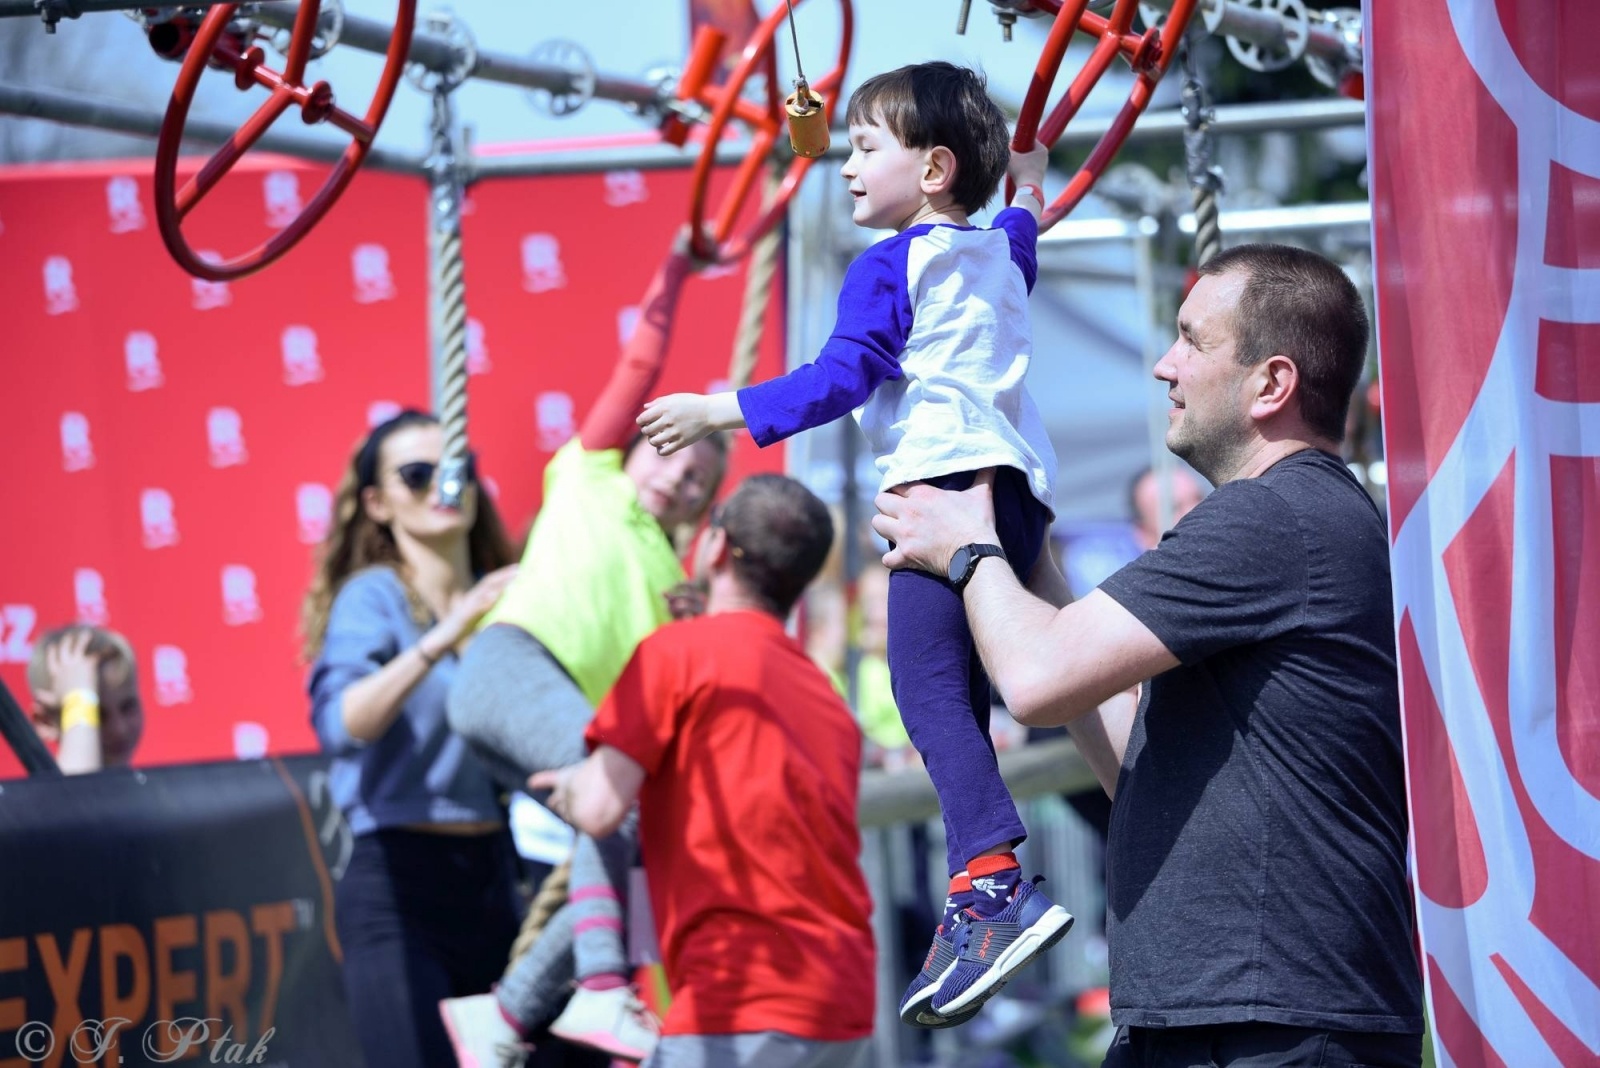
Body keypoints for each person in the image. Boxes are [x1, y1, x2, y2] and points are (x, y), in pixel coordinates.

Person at [872, 244, 1425, 1067]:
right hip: (1226, 1015)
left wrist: (969, 548)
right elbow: (1132, 751)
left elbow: (1033, 682)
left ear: (1271, 384)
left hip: (1273, 1025)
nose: (1165, 367)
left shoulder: (1273, 520)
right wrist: (1031, 558)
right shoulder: (1292, 519)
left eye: (1193, 341)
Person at [636, 61, 1072, 1029]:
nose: (843, 164)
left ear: (931, 169)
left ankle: (991, 882)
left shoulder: (888, 266)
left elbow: (839, 378)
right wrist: (1030, 187)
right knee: (963, 690)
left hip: (938, 495)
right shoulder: (994, 252)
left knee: (925, 697)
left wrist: (720, 407)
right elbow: (1023, 228)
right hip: (1015, 495)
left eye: (865, 146)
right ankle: (985, 881)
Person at [441, 233, 728, 1064]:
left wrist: (698, 618)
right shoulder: (586, 475)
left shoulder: (677, 580)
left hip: (557, 713)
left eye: (702, 480)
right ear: (638, 444)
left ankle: (502, 1015)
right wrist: (674, 268)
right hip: (512, 667)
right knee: (624, 813)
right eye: (674, 453)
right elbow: (640, 363)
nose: (682, 478)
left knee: (632, 831)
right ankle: (600, 991)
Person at [530, 474, 876, 1068]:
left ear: (715, 547)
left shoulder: (674, 655)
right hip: (839, 1002)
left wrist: (567, 787)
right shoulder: (824, 696)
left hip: (737, 1002)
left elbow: (598, 808)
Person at [303, 409, 524, 1068]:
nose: (442, 489)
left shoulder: (510, 594)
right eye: (419, 474)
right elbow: (341, 724)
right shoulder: (372, 597)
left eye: (458, 472)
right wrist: (443, 634)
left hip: (497, 878)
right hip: (398, 886)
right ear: (376, 502)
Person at [26, 624, 144, 775]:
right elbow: (76, 794)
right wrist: (79, 695)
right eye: (96, 715)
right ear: (45, 721)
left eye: (128, 707)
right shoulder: (41, 797)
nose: (119, 730)